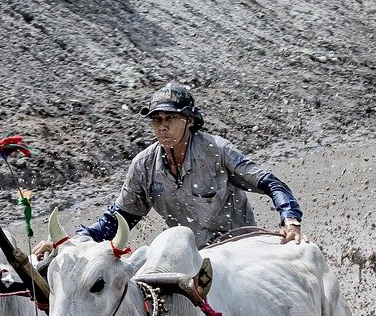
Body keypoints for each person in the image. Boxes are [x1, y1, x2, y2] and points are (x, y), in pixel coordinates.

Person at [35, 82, 305, 256]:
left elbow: (271, 183)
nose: (162, 126)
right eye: (157, 120)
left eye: (171, 118)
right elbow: (117, 220)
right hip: (191, 256)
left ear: (189, 120)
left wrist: (290, 220)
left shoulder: (217, 151)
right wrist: (69, 242)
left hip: (239, 252)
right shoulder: (144, 165)